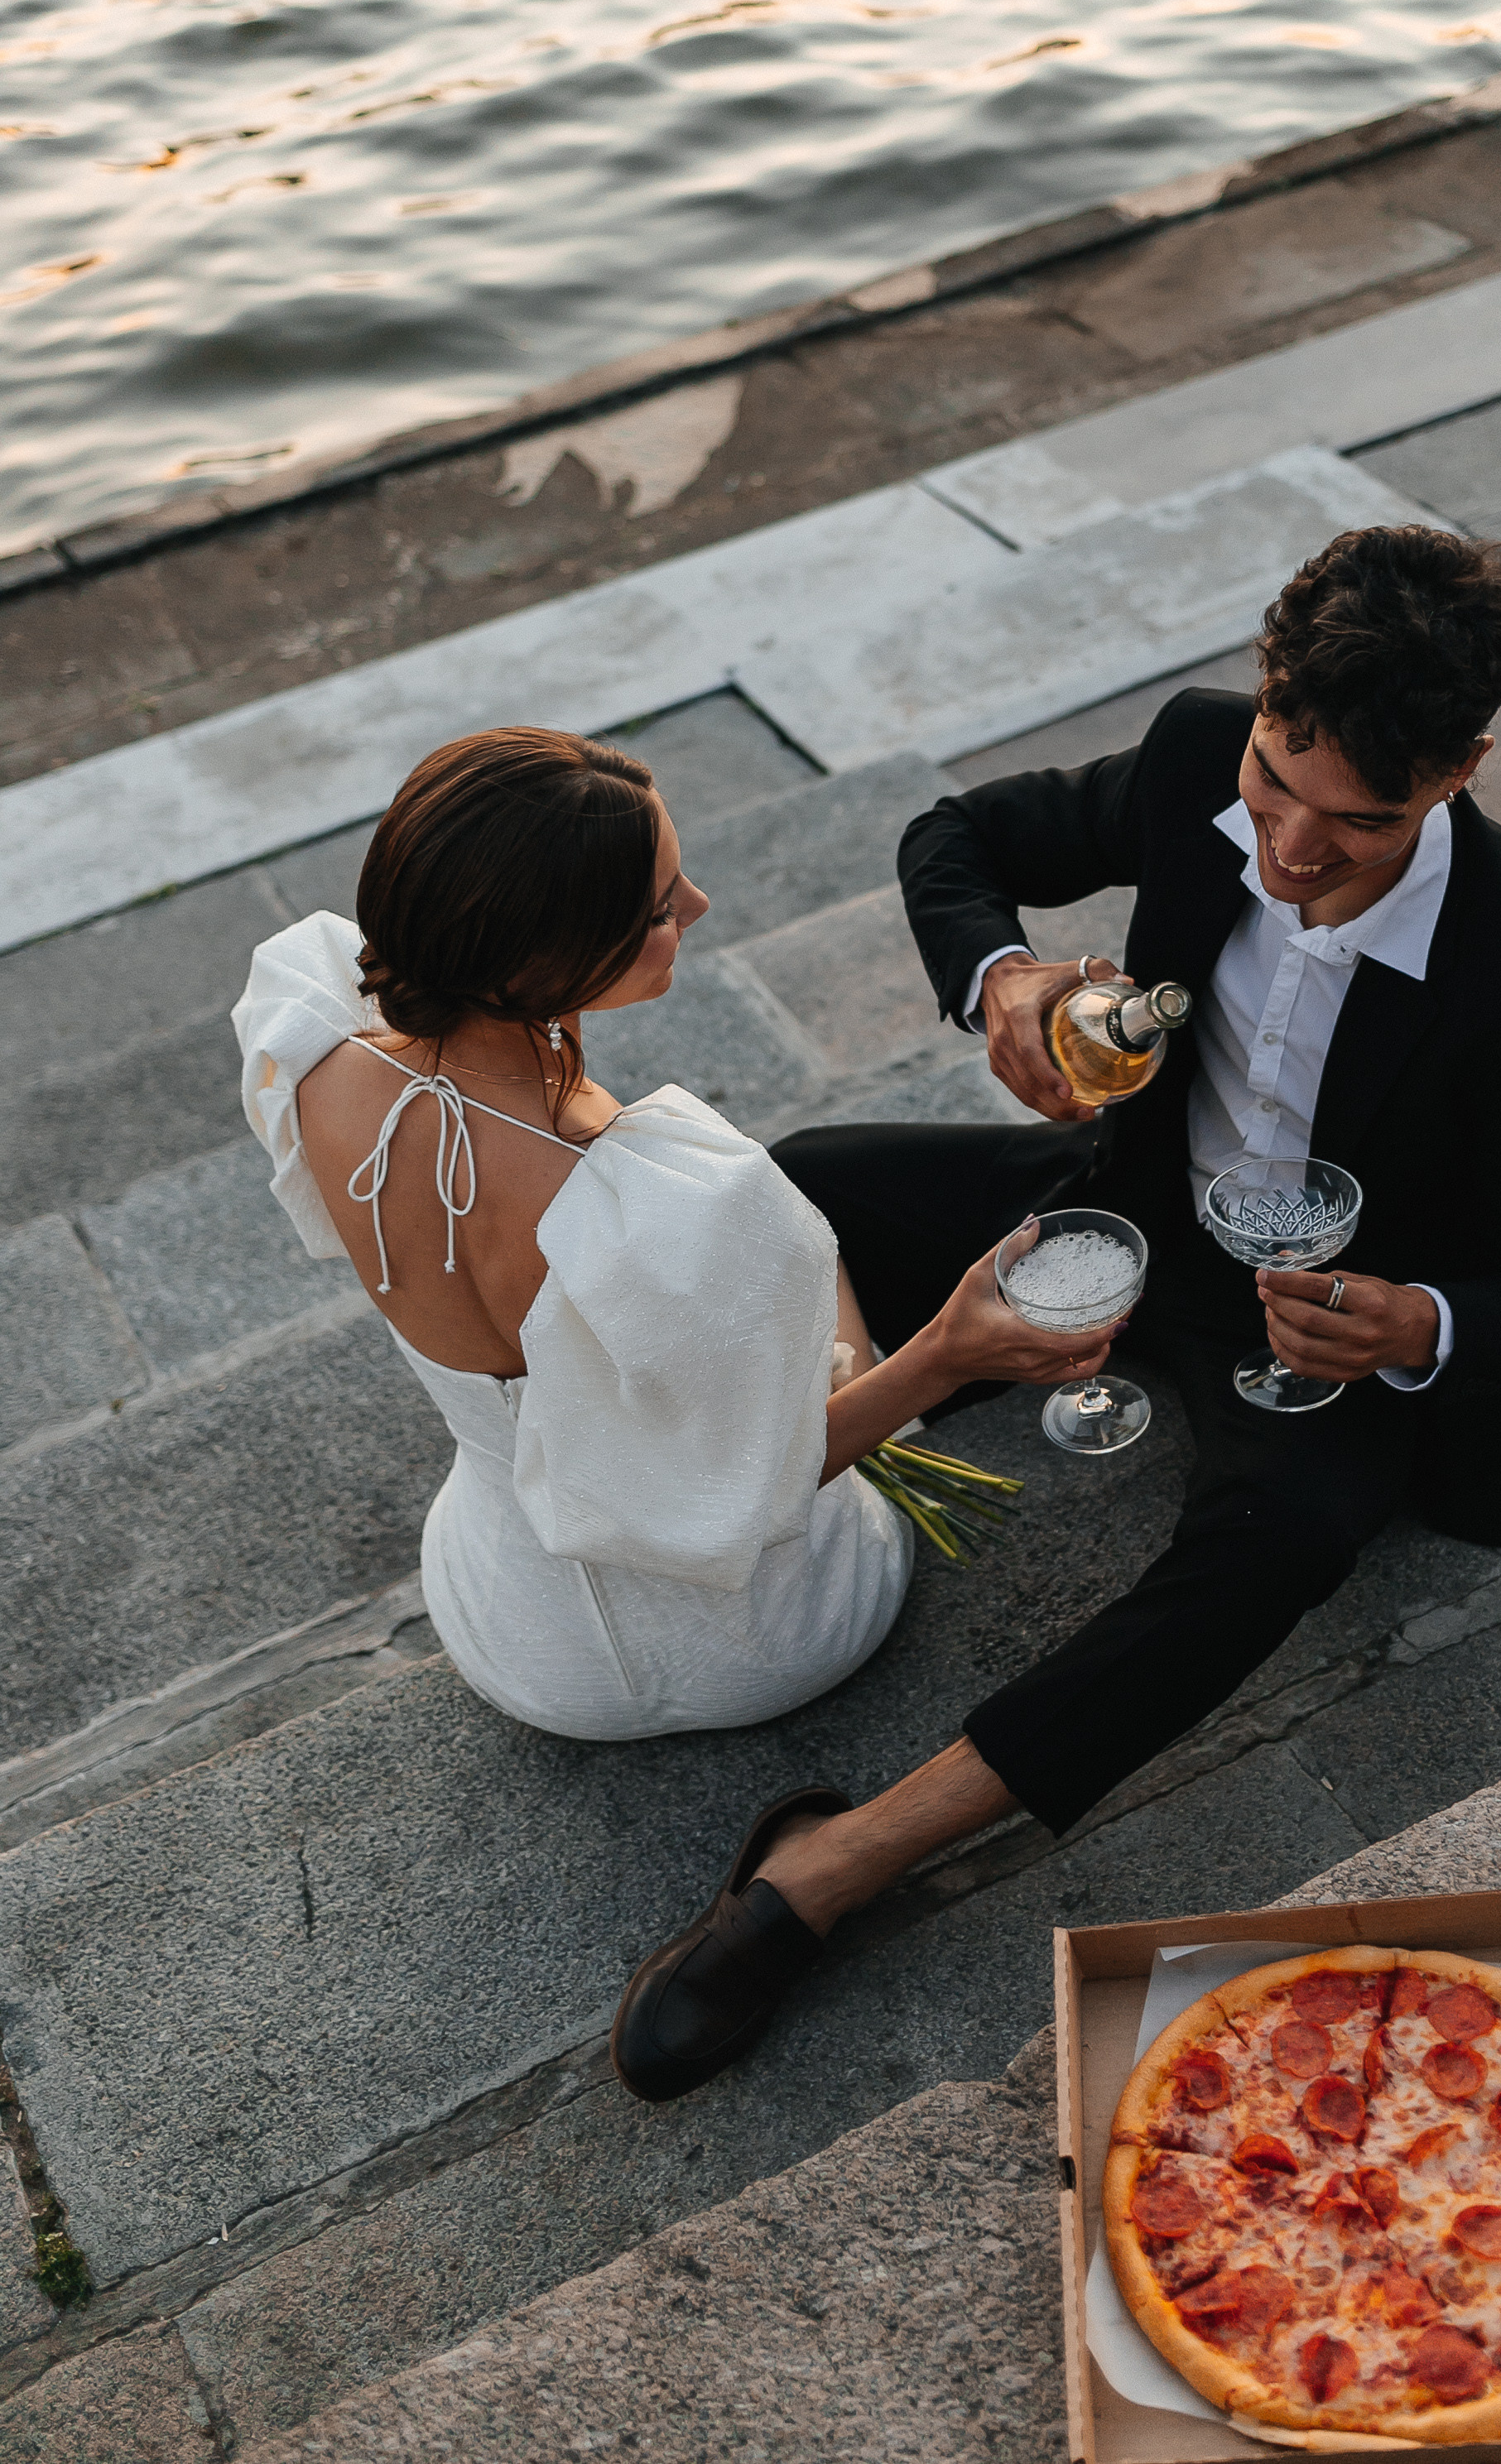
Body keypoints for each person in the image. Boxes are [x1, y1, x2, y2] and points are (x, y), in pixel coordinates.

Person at [610, 525, 1501, 2101]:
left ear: (1459, 771)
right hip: (1136, 1204)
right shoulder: (1187, 758)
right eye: (1271, 783)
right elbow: (952, 837)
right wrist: (1007, 985)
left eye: (1356, 824)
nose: (1291, 852)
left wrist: (1410, 1322)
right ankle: (855, 1436)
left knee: (1278, 1547)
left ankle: (828, 1868)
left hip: (1311, 1321)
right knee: (790, 1186)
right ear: (1257, 702)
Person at [231, 726, 1114, 1770]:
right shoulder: (659, 1205)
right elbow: (756, 1490)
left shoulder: (311, 1036)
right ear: (539, 960)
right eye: (658, 906)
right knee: (809, 1234)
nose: (696, 906)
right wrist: (949, 1354)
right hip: (764, 1642)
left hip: (514, 1636)